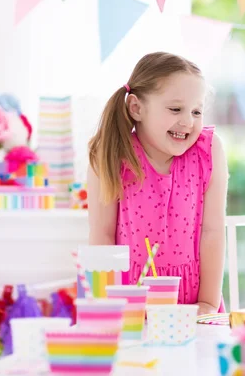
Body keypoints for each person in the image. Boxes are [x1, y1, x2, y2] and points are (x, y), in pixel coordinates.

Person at [87, 52, 228, 315]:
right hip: (130, 305)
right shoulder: (110, 154)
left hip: (195, 306)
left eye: (197, 111)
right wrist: (108, 306)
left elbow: (213, 231)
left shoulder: (208, 152)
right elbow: (101, 235)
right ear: (136, 108)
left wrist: (208, 302)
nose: (188, 121)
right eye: (176, 109)